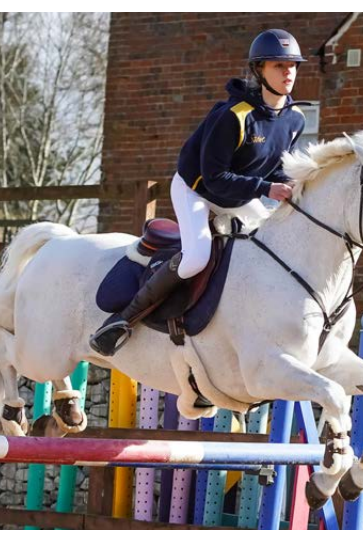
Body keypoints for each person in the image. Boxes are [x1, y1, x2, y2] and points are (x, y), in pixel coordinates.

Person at [89, 29, 309, 356]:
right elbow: (215, 177)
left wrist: (288, 183)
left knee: (267, 250)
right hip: (198, 190)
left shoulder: (295, 119)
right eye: (279, 65)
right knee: (196, 257)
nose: (288, 72)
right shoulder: (233, 117)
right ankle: (121, 320)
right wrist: (265, 188)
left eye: (292, 65)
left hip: (240, 197)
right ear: (259, 70)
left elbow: (273, 167)